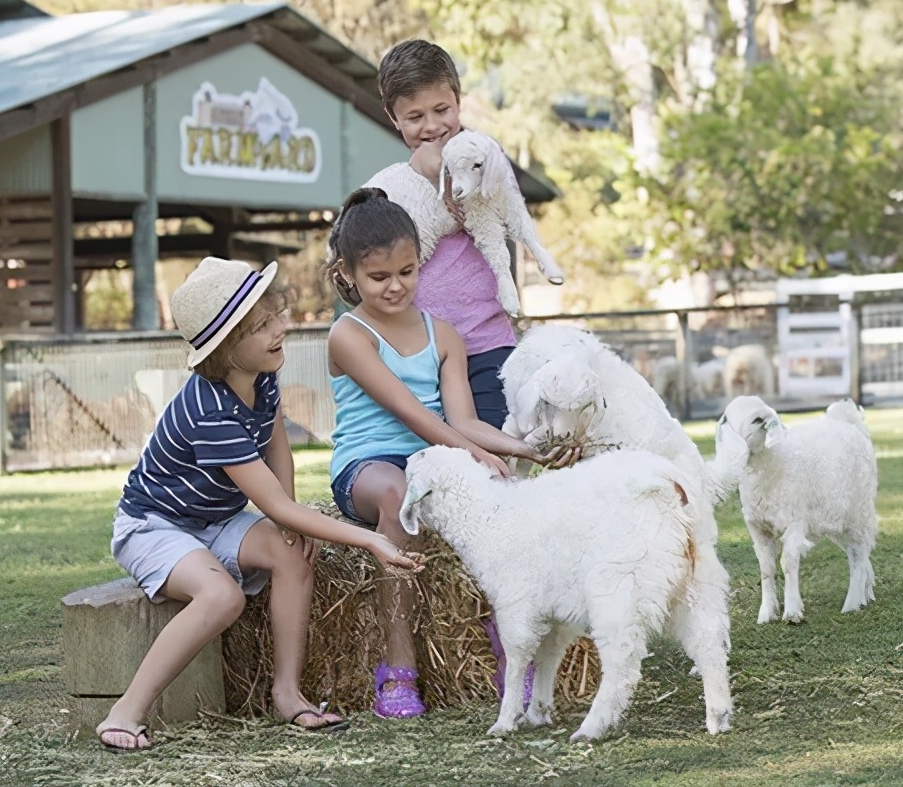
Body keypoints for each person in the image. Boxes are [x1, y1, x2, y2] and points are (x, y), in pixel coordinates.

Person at [95, 257, 422, 752]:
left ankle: (287, 693)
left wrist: (288, 520)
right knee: (222, 596)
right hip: (154, 526)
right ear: (226, 349)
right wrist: (370, 538)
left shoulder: (262, 377)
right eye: (260, 328)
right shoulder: (209, 411)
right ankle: (126, 710)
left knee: (292, 553)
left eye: (275, 318)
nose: (279, 331)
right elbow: (266, 498)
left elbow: (277, 448)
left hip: (216, 518)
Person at [325, 188, 574, 719]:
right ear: (347, 274)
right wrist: (471, 455)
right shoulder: (348, 335)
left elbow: (463, 422)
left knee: (507, 496)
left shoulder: (444, 334)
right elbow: (413, 415)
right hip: (370, 467)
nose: (396, 286)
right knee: (398, 496)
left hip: (435, 460)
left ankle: (511, 641)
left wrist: (525, 449)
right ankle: (398, 664)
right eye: (379, 277)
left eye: (408, 271)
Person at [366, 38, 521, 430]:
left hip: (488, 342)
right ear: (393, 118)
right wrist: (424, 177)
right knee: (435, 455)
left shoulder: (484, 161)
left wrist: (454, 181)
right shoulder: (389, 189)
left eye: (441, 110)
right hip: (419, 353)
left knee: (494, 449)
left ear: (458, 101)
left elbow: (507, 220)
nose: (432, 126)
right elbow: (368, 263)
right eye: (415, 117)